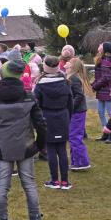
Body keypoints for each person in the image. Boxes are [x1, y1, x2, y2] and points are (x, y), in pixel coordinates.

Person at [0, 59, 46, 220]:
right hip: (25, 146)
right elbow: (41, 124)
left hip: (3, 147)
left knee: (3, 185)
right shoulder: (29, 97)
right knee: (29, 184)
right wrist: (40, 145)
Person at [34, 56, 74, 190]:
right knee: (61, 149)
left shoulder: (40, 85)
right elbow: (70, 103)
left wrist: (38, 120)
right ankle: (63, 181)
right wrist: (68, 116)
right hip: (62, 116)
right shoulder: (65, 82)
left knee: (51, 149)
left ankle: (55, 180)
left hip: (48, 117)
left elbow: (36, 105)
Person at [64, 58, 92, 171]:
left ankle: (82, 162)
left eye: (68, 63)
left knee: (75, 137)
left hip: (77, 112)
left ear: (73, 67)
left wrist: (70, 107)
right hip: (75, 112)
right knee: (72, 137)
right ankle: (76, 161)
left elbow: (79, 95)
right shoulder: (71, 77)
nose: (66, 64)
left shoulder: (74, 78)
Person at [91, 42, 111, 141]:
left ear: (105, 50)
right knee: (101, 113)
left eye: (101, 46)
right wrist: (92, 85)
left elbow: (106, 78)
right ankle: (106, 134)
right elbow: (99, 77)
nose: (98, 47)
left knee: (110, 114)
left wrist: (94, 87)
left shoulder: (106, 62)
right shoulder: (102, 60)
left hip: (108, 92)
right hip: (102, 91)